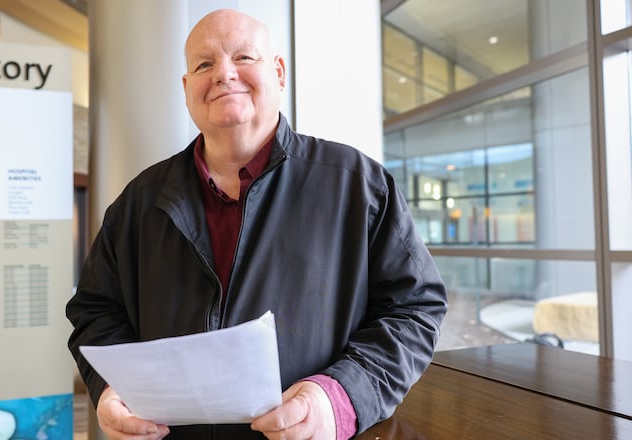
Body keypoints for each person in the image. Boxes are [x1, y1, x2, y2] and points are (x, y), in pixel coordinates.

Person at [67, 8, 448, 440]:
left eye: (244, 58)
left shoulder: (357, 184)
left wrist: (340, 396)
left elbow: (414, 310)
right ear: (187, 86)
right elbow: (95, 310)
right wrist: (113, 388)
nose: (224, 74)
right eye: (204, 64)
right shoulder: (140, 200)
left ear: (279, 72)